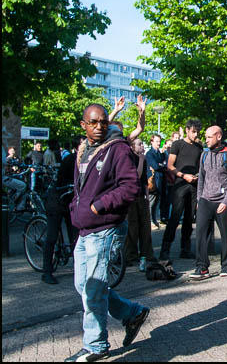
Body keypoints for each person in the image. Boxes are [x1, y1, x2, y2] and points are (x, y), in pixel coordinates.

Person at [66, 103, 149, 362]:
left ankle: (96, 345)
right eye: (93, 122)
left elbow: (130, 187)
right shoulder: (84, 150)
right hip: (85, 228)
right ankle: (132, 313)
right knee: (84, 286)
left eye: (103, 121)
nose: (99, 126)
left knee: (93, 289)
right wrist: (76, 207)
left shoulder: (118, 149)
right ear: (83, 125)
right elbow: (80, 187)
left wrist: (99, 206)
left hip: (105, 228)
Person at [190, 126, 227, 279]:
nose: (206, 140)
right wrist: (199, 199)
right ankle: (202, 267)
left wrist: (226, 201)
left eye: (209, 137)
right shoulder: (204, 154)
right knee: (200, 234)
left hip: (222, 201)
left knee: (226, 235)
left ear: (218, 137)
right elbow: (201, 179)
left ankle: (225, 265)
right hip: (205, 200)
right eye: (206, 137)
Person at [41, 135, 83, 285]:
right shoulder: (70, 160)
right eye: (83, 144)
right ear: (77, 147)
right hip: (58, 200)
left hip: (71, 202)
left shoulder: (87, 160)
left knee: (75, 235)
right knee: (52, 236)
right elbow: (61, 181)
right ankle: (46, 271)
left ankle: (79, 268)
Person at [160, 119, 203, 260]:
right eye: (193, 132)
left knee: (189, 219)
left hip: (194, 185)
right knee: (175, 217)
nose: (195, 135)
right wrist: (184, 176)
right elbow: (170, 166)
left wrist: (197, 177)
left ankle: (185, 249)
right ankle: (165, 249)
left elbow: (200, 166)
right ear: (187, 130)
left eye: (197, 132)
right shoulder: (177, 144)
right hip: (180, 184)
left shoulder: (199, 146)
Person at [124, 138, 157, 271]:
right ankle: (131, 255)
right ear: (132, 147)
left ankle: (147, 254)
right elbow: (135, 176)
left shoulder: (142, 159)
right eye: (139, 144)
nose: (142, 146)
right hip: (131, 197)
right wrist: (141, 160)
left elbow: (144, 180)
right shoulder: (130, 158)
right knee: (132, 227)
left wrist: (147, 196)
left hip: (141, 196)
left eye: (142, 144)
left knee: (145, 226)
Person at [146, 134, 166, 228]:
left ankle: (154, 220)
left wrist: (161, 165)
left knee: (156, 203)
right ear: (152, 142)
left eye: (159, 141)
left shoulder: (160, 153)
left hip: (160, 181)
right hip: (153, 182)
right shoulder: (149, 154)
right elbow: (156, 166)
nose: (158, 143)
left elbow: (164, 165)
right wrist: (161, 165)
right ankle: (149, 221)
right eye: (157, 141)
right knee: (151, 203)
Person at [160, 139, 174, 223]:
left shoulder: (172, 155)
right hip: (165, 180)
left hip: (171, 180)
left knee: (169, 200)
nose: (170, 146)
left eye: (171, 145)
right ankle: (163, 217)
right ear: (165, 145)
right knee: (164, 200)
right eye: (168, 144)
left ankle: (167, 216)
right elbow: (161, 166)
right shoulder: (163, 155)